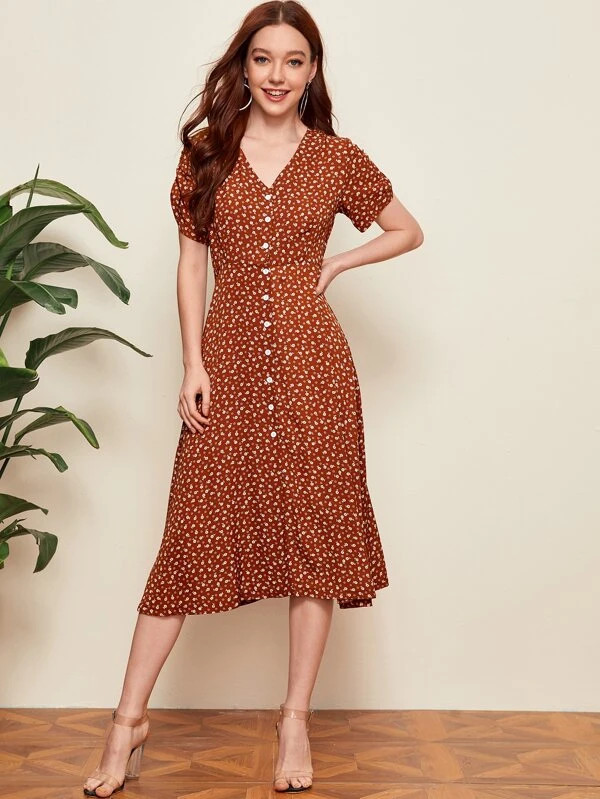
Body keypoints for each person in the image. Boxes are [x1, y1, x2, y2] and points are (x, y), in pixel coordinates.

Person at [83, 1, 423, 795]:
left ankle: (294, 718)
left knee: (316, 541)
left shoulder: (336, 159)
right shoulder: (207, 153)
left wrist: (336, 265)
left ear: (312, 70)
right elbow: (191, 264)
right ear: (243, 66)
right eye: (263, 58)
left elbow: (407, 229)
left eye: (293, 60)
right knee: (187, 537)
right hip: (227, 363)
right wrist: (192, 361)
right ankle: (127, 722)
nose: (277, 75)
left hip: (315, 371)